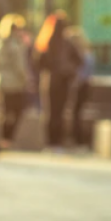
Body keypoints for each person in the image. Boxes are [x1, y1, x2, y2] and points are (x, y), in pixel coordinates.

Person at [34, 12, 82, 151]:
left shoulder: (46, 42)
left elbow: (37, 62)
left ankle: (51, 142)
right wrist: (68, 70)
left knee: (51, 112)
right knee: (59, 112)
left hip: (51, 81)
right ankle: (57, 142)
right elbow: (79, 60)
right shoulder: (66, 43)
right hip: (62, 81)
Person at [0, 13, 31, 150]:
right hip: (14, 83)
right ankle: (6, 140)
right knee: (15, 111)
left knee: (4, 112)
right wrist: (27, 79)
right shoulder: (14, 43)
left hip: (0, 82)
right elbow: (20, 66)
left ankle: (2, 140)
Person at [67, 27, 95, 149]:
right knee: (76, 113)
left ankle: (79, 140)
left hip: (80, 86)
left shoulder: (84, 55)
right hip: (83, 86)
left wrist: (75, 82)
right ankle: (77, 140)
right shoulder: (87, 54)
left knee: (76, 113)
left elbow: (84, 73)